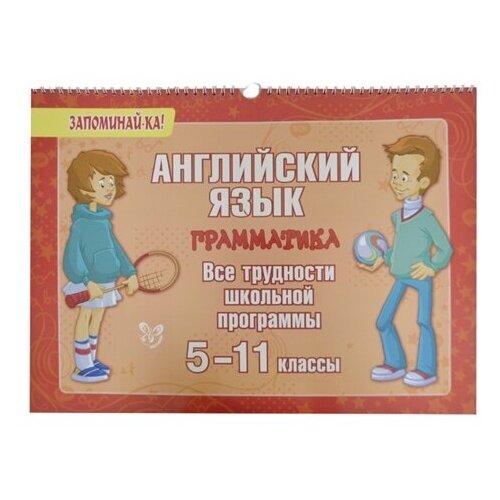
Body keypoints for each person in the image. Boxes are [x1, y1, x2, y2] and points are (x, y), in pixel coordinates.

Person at [358, 135, 453, 387]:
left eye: (404, 177)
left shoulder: (426, 218)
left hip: (420, 278)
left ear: (423, 182)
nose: (397, 182)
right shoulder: (397, 216)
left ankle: (426, 369)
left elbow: (445, 248)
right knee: (383, 321)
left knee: (423, 321)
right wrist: (382, 259)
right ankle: (395, 363)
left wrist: (432, 266)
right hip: (400, 276)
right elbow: (399, 250)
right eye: (395, 174)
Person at [63, 150, 139, 383]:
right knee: (86, 315)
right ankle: (82, 366)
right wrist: (86, 281)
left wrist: (130, 272)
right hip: (89, 282)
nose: (109, 188)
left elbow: (116, 249)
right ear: (83, 186)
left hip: (106, 281)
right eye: (102, 182)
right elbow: (72, 257)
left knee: (97, 317)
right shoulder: (81, 225)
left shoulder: (104, 222)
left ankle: (91, 360)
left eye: (111, 182)